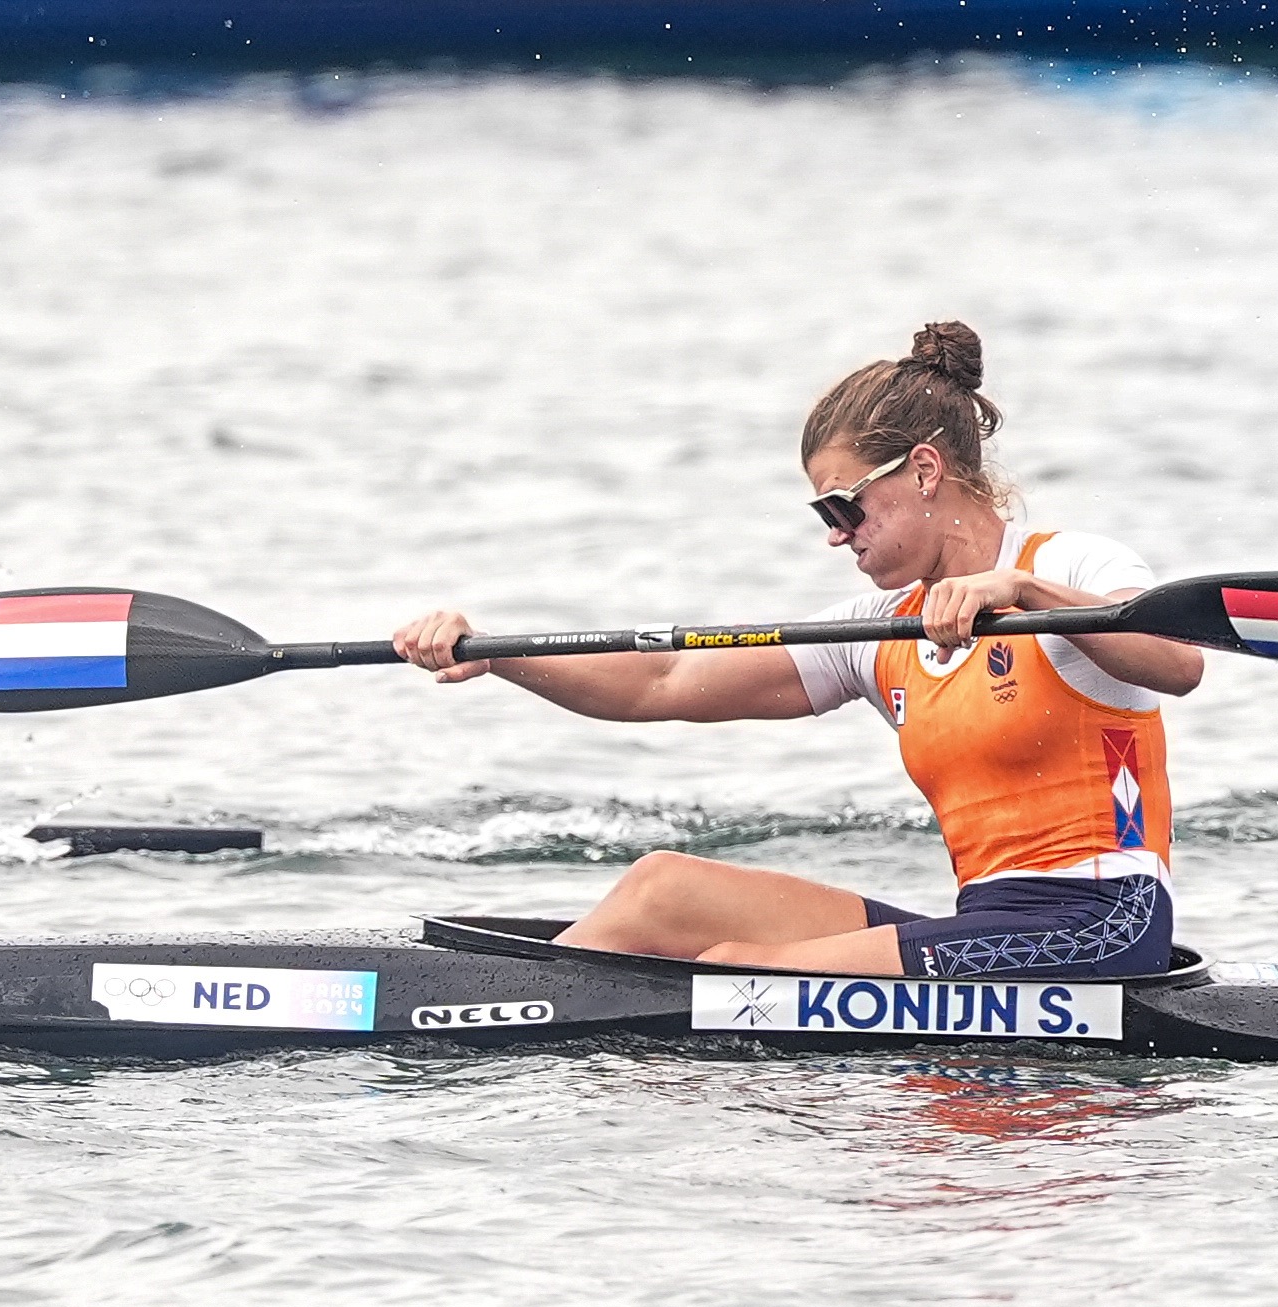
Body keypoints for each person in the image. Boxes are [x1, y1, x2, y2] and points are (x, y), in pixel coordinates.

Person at [392, 321, 1203, 978]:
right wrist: (493, 651)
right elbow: (663, 681)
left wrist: (1021, 595)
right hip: (985, 925)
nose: (838, 536)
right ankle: (512, 1022)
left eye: (844, 507)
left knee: (742, 967)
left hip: (1101, 929)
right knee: (662, 891)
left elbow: (1178, 660)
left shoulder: (1068, 567)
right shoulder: (881, 630)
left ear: (924, 469)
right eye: (826, 516)